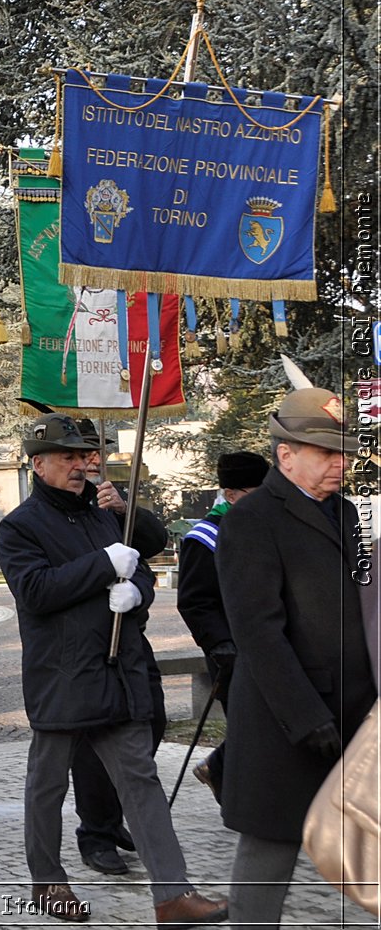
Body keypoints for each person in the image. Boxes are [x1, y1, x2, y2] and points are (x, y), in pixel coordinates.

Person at [0, 411, 225, 925]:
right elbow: (35, 591)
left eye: (85, 456)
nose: (82, 465)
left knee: (140, 780)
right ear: (38, 464)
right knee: (48, 785)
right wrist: (105, 566)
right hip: (62, 674)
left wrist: (135, 593)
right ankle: (48, 882)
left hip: (117, 668)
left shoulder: (103, 514)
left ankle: (172, 894)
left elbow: (139, 568)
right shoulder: (19, 527)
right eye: (69, 457)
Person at [215, 388, 375, 927]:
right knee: (269, 854)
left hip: (358, 714)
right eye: (327, 453)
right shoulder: (252, 519)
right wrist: (305, 716)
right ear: (286, 455)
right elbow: (257, 632)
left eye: (344, 452)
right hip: (289, 721)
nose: (341, 463)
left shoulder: (349, 513)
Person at [65, 420, 169, 877]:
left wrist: (125, 510)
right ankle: (96, 831)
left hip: (129, 638)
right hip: (87, 646)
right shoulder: (52, 511)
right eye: (84, 453)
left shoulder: (107, 502)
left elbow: (151, 548)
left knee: (152, 721)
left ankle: (117, 813)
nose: (90, 461)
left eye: (96, 451)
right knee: (96, 741)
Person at [175, 450, 268, 804]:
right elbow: (195, 602)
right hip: (230, 650)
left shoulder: (262, 526)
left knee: (266, 724)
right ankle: (239, 793)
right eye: (257, 492)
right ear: (231, 496)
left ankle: (222, 769)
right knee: (250, 724)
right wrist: (219, 645)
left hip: (267, 642)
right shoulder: (204, 538)